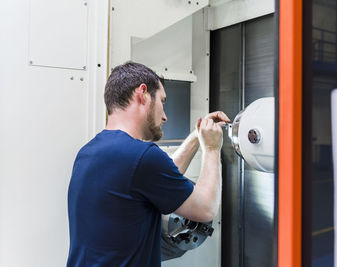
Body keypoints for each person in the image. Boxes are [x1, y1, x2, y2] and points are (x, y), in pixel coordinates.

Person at [67, 61, 230, 267]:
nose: (164, 116)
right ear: (142, 93)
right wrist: (213, 148)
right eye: (162, 101)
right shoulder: (142, 156)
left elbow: (158, 180)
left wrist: (197, 136)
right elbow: (205, 209)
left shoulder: (89, 152)